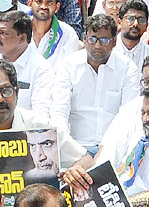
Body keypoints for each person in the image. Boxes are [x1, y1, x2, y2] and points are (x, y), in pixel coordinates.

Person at [49, 14, 139, 153]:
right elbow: (59, 112)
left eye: (104, 40)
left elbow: (128, 117)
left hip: (114, 148)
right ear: (85, 39)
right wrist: (68, 149)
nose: (97, 46)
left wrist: (106, 152)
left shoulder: (127, 68)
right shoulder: (68, 66)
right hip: (74, 146)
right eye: (92, 39)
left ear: (114, 41)